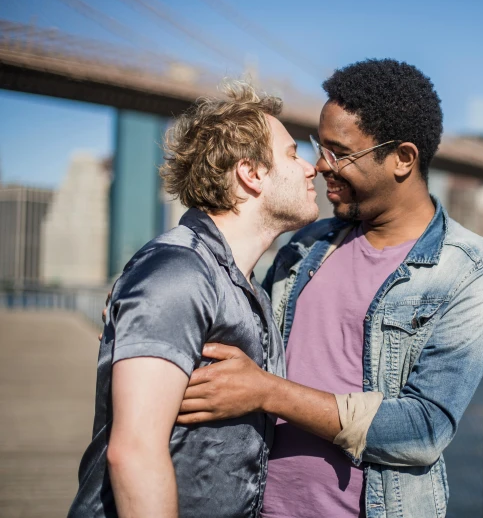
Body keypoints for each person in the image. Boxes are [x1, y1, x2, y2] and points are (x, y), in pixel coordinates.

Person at [177, 59, 483, 518]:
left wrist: (268, 393)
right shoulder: (307, 242)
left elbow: (424, 430)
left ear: (403, 159)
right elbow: (243, 335)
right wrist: (166, 321)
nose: (320, 166)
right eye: (318, 147)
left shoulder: (470, 269)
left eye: (339, 153)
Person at [69, 81, 319, 518]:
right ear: (251, 172)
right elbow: (134, 454)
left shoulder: (242, 284)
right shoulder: (178, 272)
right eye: (294, 154)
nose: (311, 168)